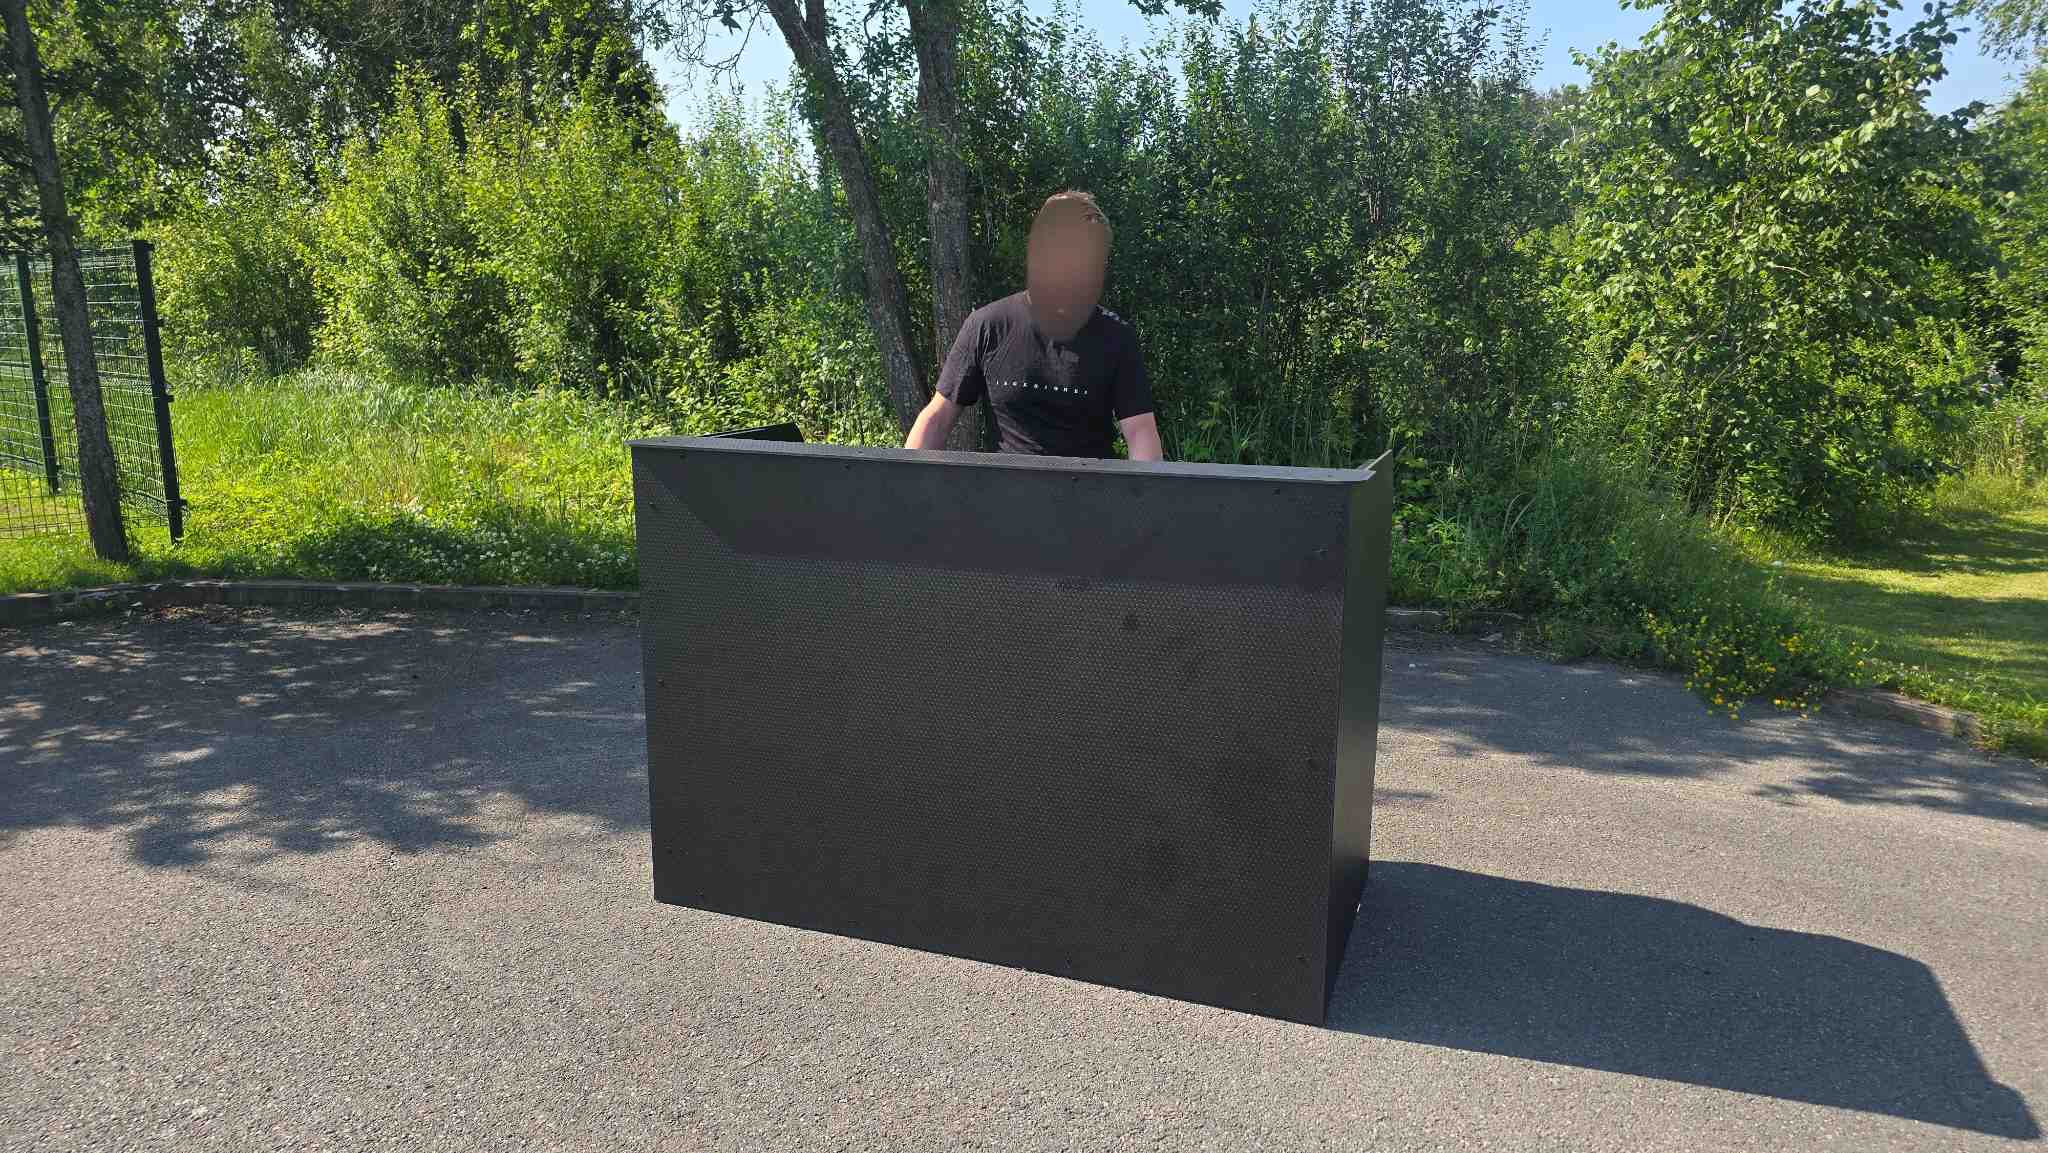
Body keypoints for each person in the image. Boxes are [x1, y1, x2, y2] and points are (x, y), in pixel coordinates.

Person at [904, 190, 1164, 461]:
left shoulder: (1116, 338)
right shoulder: (988, 326)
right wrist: (903, 479)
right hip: (1007, 485)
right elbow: (937, 418)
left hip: (1089, 485)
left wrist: (1146, 486)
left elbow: (1140, 432)